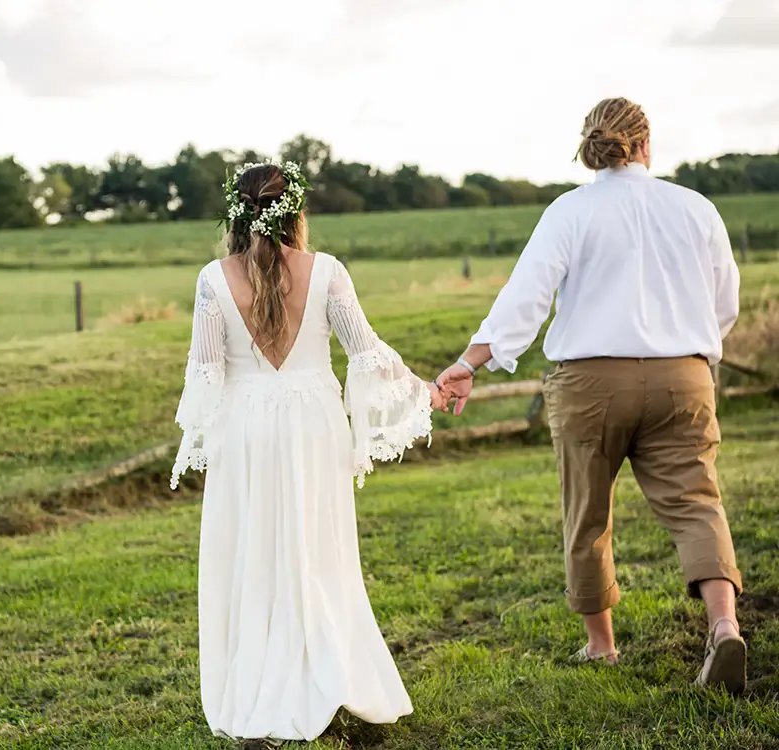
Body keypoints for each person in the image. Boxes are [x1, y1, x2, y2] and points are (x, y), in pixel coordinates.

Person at [436, 97, 746, 693]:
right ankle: (725, 626)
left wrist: (468, 361)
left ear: (592, 148)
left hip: (591, 384)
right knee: (698, 504)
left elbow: (526, 297)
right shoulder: (695, 208)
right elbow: (723, 303)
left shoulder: (569, 211)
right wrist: (691, 352)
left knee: (588, 513)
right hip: (684, 376)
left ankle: (602, 647)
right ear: (646, 144)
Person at [170, 160, 448, 742]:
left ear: (235, 213)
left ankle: (259, 696)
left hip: (247, 429)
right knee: (319, 552)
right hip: (314, 423)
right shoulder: (327, 272)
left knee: (255, 554)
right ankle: (332, 678)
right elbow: (366, 352)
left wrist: (212, 433)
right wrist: (423, 388)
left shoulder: (212, 280)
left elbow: (204, 375)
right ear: (296, 210)